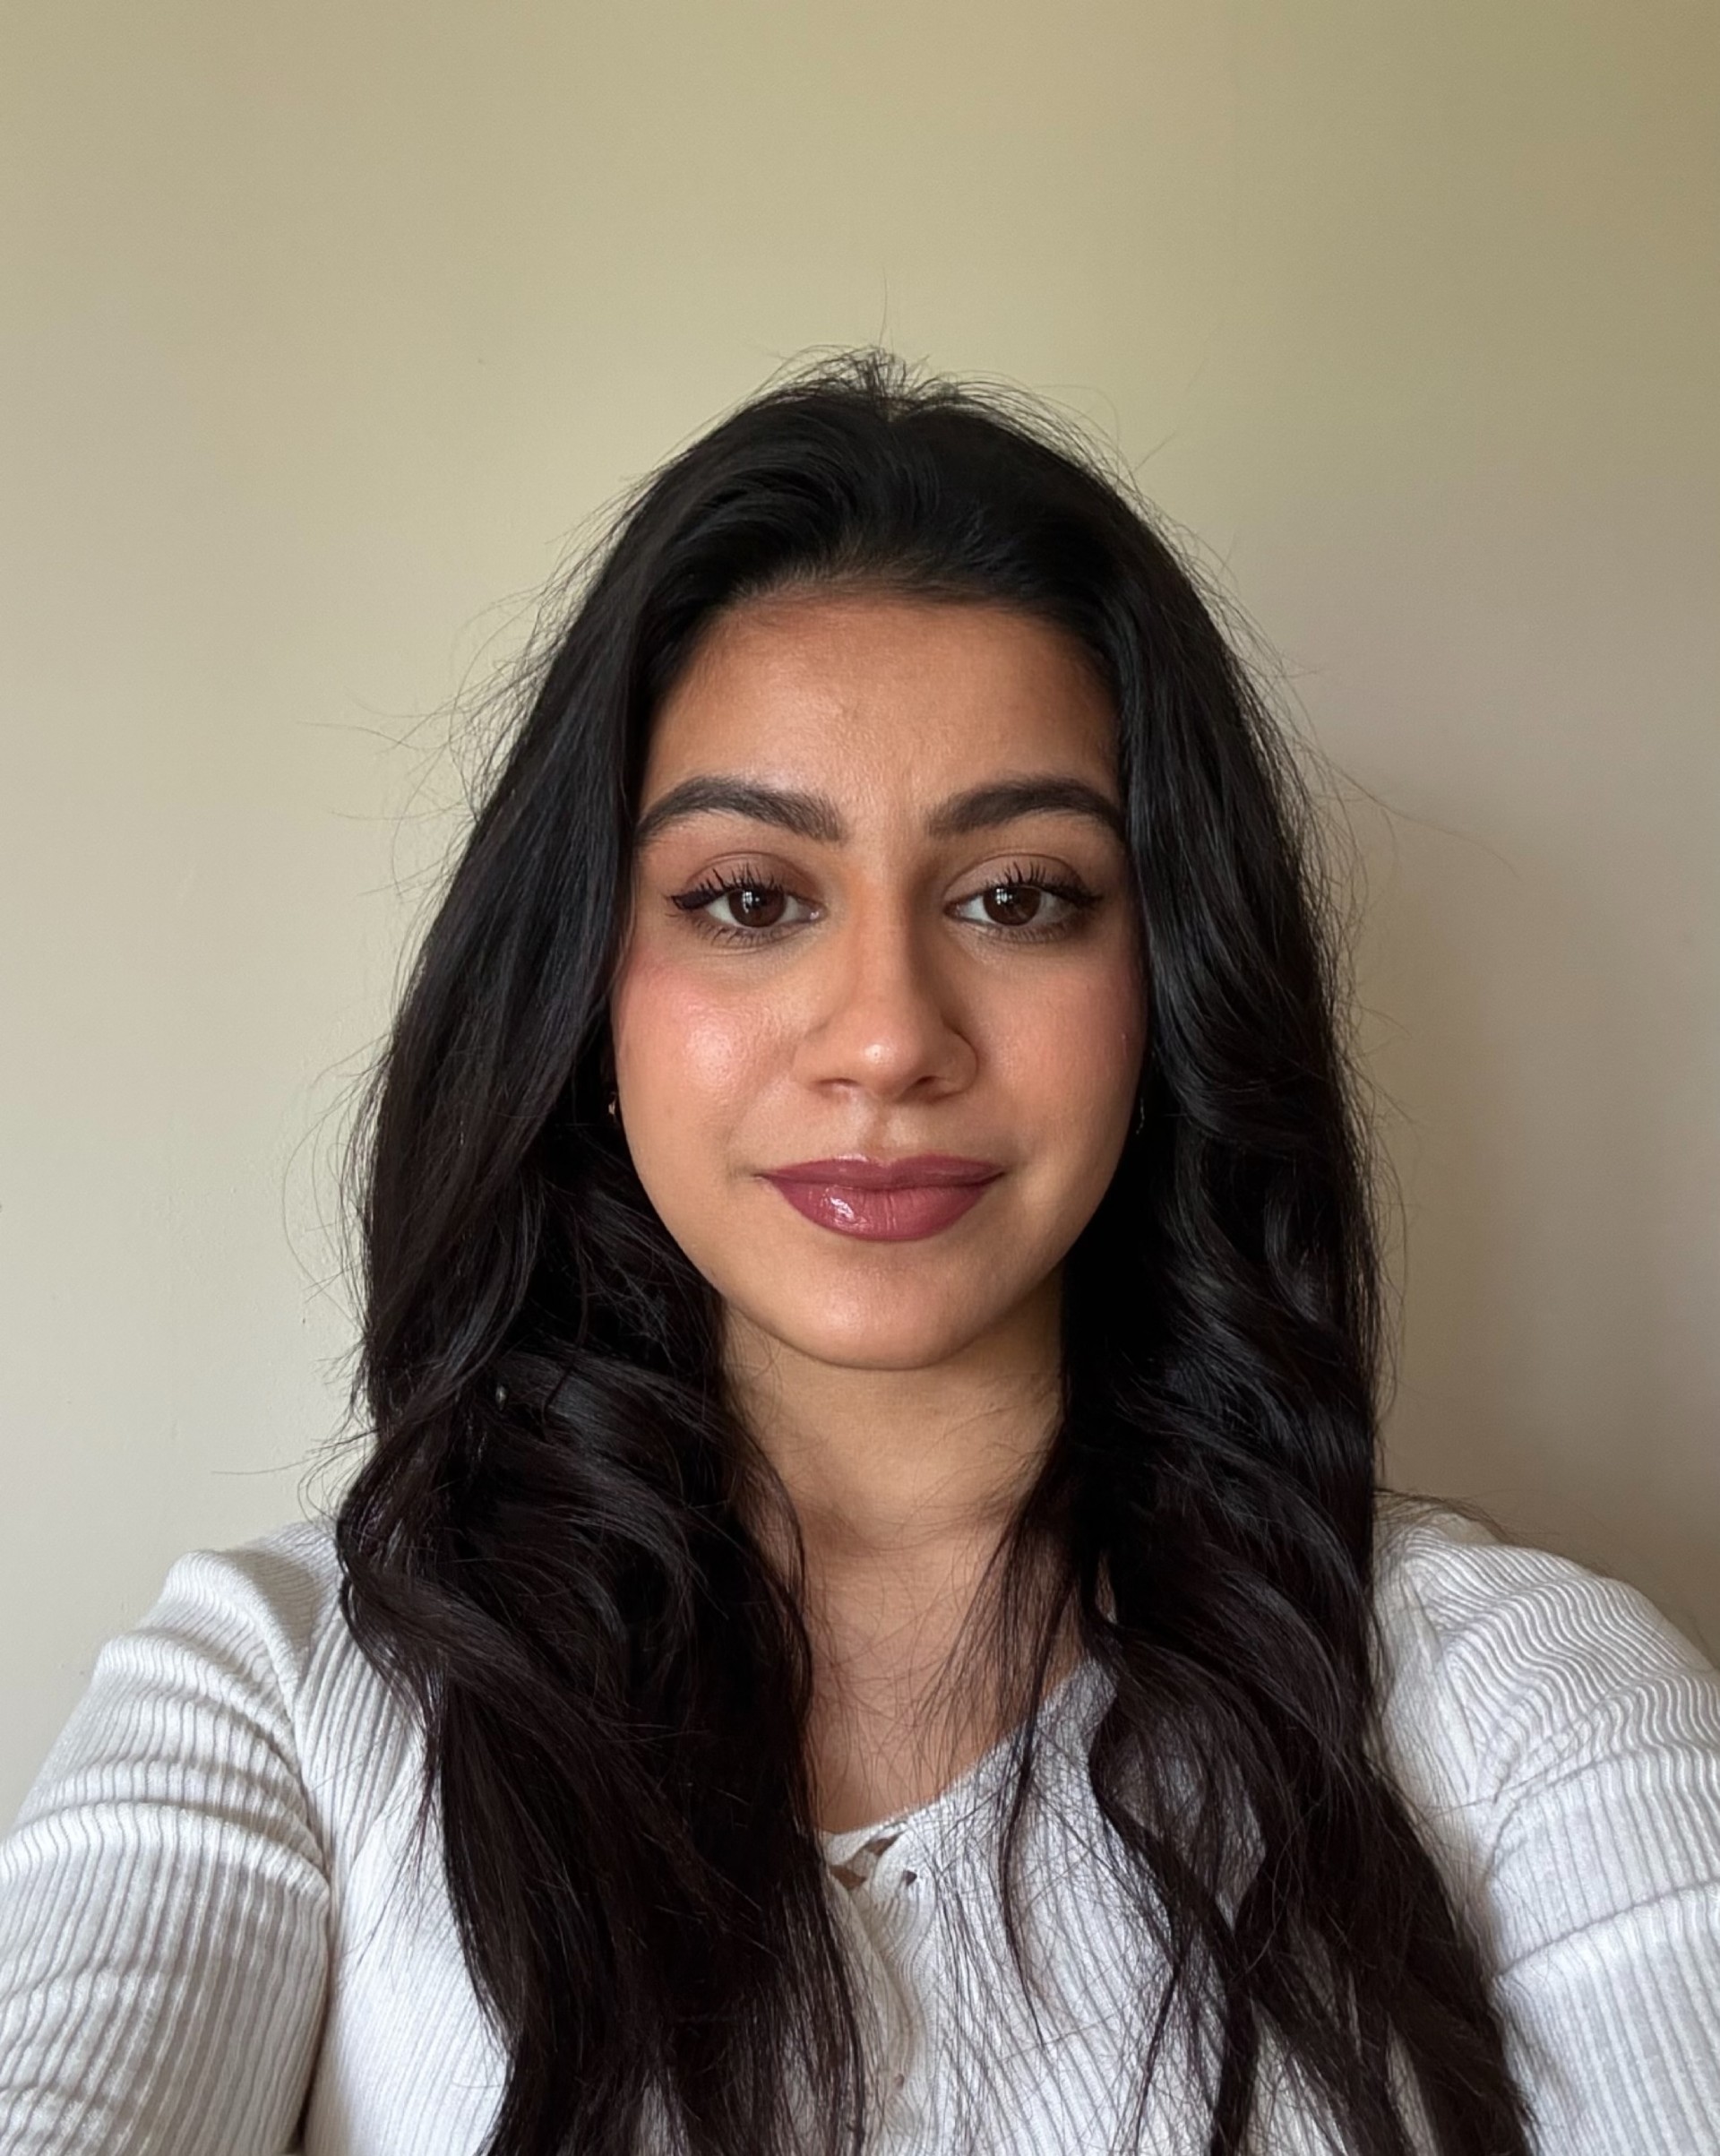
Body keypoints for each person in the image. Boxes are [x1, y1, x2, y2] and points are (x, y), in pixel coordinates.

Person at [1, 353, 1716, 2156]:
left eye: (1020, 897)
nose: (888, 1036)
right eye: (750, 898)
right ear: (588, 990)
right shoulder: (283, 1695)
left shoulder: (1525, 1710)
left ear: (1169, 991)